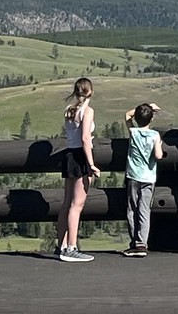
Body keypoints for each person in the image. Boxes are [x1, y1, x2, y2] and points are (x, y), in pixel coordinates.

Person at [56, 77, 100, 262]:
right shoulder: (87, 111)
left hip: (69, 155)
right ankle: (72, 248)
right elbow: (85, 138)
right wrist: (91, 164)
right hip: (81, 157)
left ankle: (61, 245)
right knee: (77, 205)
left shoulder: (69, 110)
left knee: (67, 203)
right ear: (90, 91)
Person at [122, 102, 163, 258]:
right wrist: (159, 144)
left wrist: (147, 107)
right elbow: (158, 156)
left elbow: (127, 115)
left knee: (132, 208)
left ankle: (133, 242)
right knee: (144, 210)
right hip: (148, 177)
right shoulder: (154, 136)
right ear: (151, 120)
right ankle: (142, 243)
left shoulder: (133, 132)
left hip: (133, 175)